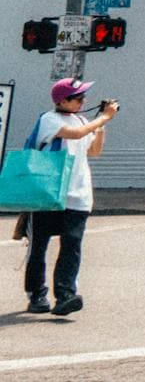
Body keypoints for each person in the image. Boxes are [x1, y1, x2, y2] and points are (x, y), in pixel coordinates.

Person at [24, 77, 119, 316]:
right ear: (63, 100)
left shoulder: (82, 120)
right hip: (49, 193)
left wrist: (101, 126)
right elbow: (75, 135)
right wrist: (104, 117)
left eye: (83, 97)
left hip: (78, 195)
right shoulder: (49, 119)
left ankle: (65, 294)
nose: (83, 101)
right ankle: (37, 294)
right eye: (78, 98)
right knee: (39, 246)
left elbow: (94, 151)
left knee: (72, 245)